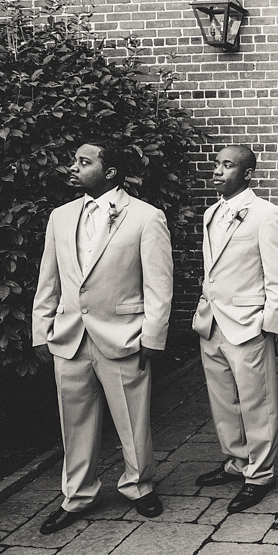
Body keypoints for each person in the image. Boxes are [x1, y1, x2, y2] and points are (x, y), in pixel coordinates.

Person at [33, 141, 172, 534]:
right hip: (70, 336)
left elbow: (159, 284)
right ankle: (77, 495)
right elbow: (49, 279)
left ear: (110, 171)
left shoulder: (146, 217)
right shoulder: (60, 217)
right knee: (73, 422)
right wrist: (41, 331)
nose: (72, 167)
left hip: (124, 335)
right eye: (74, 161)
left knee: (132, 419)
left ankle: (139, 486)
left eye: (83, 161)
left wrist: (152, 336)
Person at [192, 145, 278, 512]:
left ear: (248, 174)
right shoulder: (211, 212)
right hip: (212, 323)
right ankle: (236, 462)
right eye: (217, 164)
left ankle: (260, 474)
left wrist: (270, 326)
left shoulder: (267, 215)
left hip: (249, 325)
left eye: (227, 165)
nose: (217, 170)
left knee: (257, 402)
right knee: (223, 402)